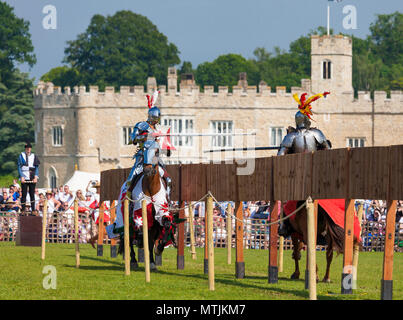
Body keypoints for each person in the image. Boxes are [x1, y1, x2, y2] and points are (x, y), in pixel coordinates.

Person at [277, 92, 331, 237]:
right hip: (317, 175)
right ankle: (332, 223)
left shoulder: (291, 136)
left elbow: (280, 157)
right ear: (308, 120)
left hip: (298, 176)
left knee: (286, 199)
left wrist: (283, 149)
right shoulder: (317, 134)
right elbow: (328, 151)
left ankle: (283, 224)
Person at [17, 142, 40, 213]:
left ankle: (33, 210)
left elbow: (36, 167)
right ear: (25, 149)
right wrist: (21, 176)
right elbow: (19, 167)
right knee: (23, 194)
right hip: (24, 176)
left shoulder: (34, 156)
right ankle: (23, 210)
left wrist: (36, 176)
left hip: (32, 176)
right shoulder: (21, 155)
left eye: (29, 148)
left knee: (32, 194)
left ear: (31, 149)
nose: (28, 149)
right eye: (27, 148)